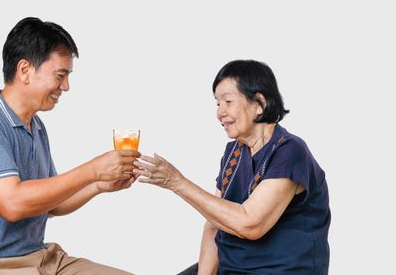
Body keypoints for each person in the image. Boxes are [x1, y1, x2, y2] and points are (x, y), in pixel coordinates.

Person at [0, 17, 140, 275]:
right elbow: (13, 204)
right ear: (25, 70)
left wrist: (98, 185)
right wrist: (92, 170)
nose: (66, 87)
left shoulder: (35, 126)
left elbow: (52, 203)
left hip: (42, 259)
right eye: (60, 75)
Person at [133, 60, 331, 274]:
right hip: (232, 268)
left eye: (228, 101)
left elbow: (250, 224)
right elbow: (213, 223)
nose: (220, 113)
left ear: (259, 104)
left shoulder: (290, 151)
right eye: (217, 104)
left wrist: (176, 182)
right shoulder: (234, 152)